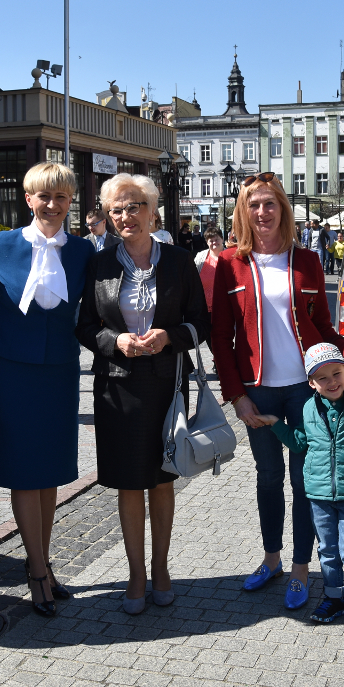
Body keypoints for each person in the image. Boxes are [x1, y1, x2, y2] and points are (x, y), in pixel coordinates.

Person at [209, 172, 344, 610]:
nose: (262, 212)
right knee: (268, 477)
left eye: (270, 203)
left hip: (304, 391)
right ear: (243, 211)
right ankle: (271, 558)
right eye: (254, 204)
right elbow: (220, 337)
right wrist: (236, 395)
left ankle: (300, 568)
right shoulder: (229, 264)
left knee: (303, 480)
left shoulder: (307, 261)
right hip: (258, 390)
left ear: (283, 209)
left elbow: (325, 327)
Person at [75, 173, 209, 615]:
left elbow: (200, 324)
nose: (125, 216)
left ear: (153, 211)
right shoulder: (99, 263)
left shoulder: (178, 260)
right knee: (129, 482)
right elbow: (85, 327)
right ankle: (136, 573)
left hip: (165, 384)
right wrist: (118, 342)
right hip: (117, 387)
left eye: (134, 207)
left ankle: (162, 567)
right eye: (116, 209)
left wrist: (169, 337)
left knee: (162, 478)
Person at [0, 163, 94, 621]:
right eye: (43, 196)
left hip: (61, 371)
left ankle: (40, 561)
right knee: (26, 471)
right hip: (12, 371)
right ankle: (39, 573)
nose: (52, 204)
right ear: (28, 199)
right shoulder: (1, 243)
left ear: (70, 202)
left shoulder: (83, 251)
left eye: (60, 197)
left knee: (51, 472)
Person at [256, 343, 344, 631]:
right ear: (311, 384)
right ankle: (333, 598)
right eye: (323, 378)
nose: (332, 382)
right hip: (318, 494)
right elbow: (299, 444)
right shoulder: (307, 409)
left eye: (336, 373)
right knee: (328, 550)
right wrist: (275, 424)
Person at [194, 228, 225, 311]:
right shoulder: (200, 256)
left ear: (222, 239)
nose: (214, 242)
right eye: (211, 240)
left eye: (217, 239)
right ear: (207, 242)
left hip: (224, 305)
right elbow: (193, 278)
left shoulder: (230, 256)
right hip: (203, 306)